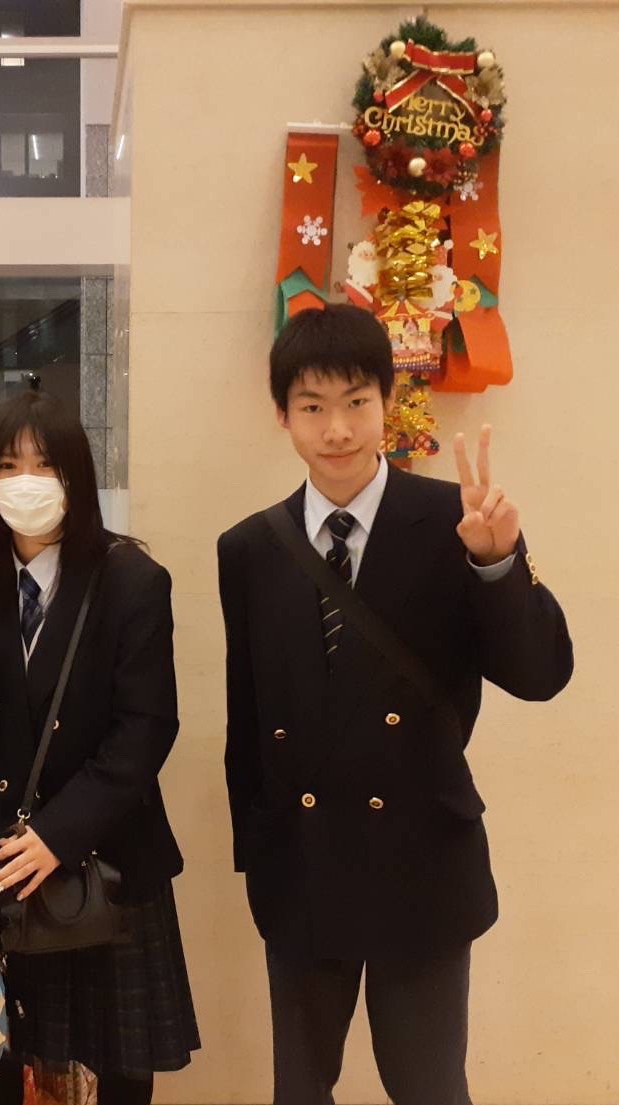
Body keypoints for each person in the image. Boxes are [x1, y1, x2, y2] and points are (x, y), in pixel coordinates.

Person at [216, 305, 574, 1105]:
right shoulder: (249, 548)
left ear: (388, 401)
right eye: (312, 405)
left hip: (421, 863)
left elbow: (540, 674)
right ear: (281, 414)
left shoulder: (456, 519)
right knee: (298, 1091)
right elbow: (249, 717)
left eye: (355, 401)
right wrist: (258, 856)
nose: (336, 428)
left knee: (428, 1087)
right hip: (301, 865)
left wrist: (497, 563)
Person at [0, 392, 199, 1105]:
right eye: (8, 465)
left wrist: (59, 834)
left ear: (76, 476)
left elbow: (146, 726)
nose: (26, 481)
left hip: (106, 851)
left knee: (122, 1060)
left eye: (45, 464)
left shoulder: (131, 579)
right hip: (2, 853)